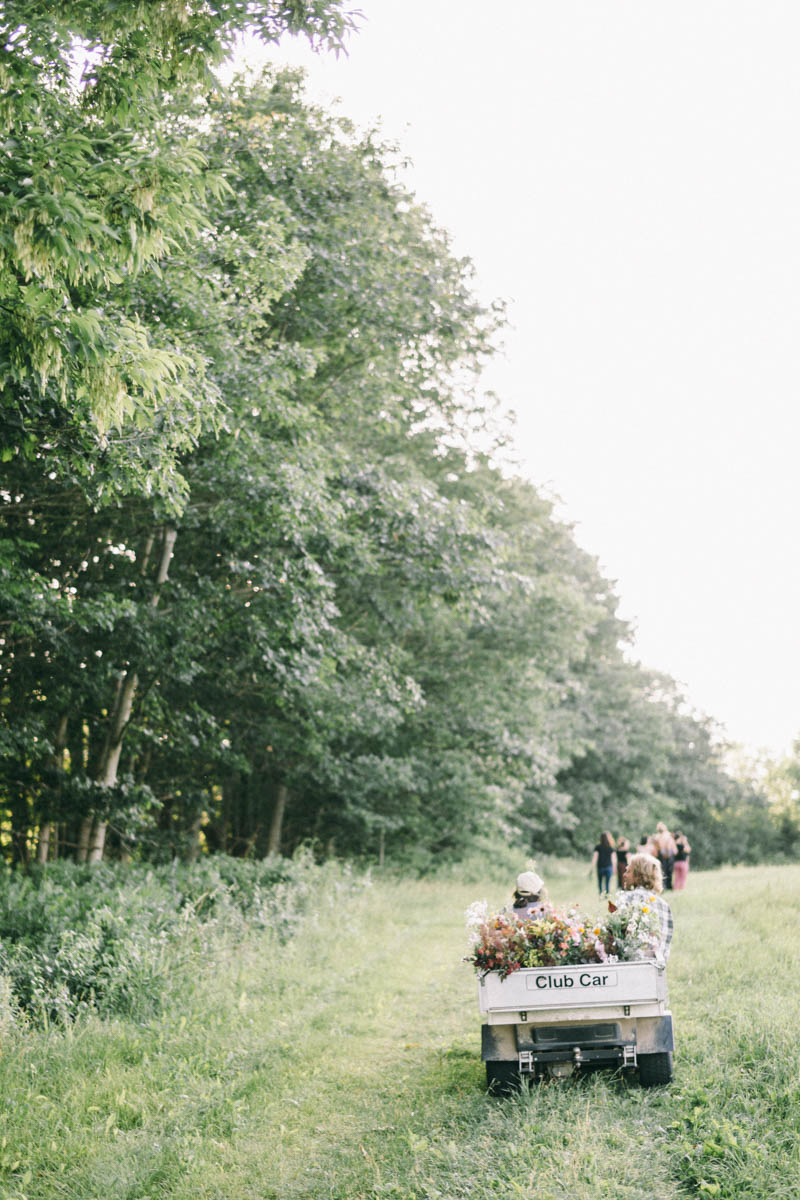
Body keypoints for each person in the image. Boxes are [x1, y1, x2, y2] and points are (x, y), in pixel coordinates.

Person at [617, 852, 673, 962]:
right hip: (655, 967)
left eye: (628, 871)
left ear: (638, 875)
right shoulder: (664, 905)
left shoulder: (625, 898)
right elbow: (665, 945)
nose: (624, 875)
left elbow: (616, 936)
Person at [653, 821, 677, 891]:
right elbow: (673, 849)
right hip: (667, 854)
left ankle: (665, 886)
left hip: (662, 854)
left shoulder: (658, 837)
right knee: (667, 871)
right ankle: (667, 886)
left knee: (663, 871)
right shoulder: (667, 835)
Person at [590, 831, 617, 896]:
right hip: (608, 867)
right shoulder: (611, 848)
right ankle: (607, 895)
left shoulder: (598, 847)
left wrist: (592, 867)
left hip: (600, 867)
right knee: (607, 883)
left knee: (600, 882)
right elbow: (614, 860)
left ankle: (600, 894)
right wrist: (614, 868)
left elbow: (595, 858)